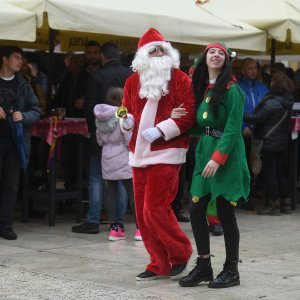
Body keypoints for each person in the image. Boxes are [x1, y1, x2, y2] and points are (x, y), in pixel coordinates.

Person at [119, 28, 195, 281]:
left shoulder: (181, 79)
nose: (159, 53)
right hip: (138, 154)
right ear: (142, 55)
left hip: (166, 152)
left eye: (162, 48)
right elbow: (126, 111)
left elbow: (186, 113)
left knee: (155, 208)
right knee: (141, 212)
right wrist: (126, 121)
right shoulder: (132, 82)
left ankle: (180, 253)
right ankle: (158, 263)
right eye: (153, 50)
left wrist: (162, 130)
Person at [177, 42, 250, 288]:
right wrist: (177, 120)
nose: (216, 55)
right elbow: (202, 125)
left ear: (227, 61)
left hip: (226, 157)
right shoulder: (202, 89)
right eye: (212, 52)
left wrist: (218, 159)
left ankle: (232, 271)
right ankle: (204, 265)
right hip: (204, 152)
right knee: (196, 210)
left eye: (221, 53)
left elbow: (232, 129)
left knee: (224, 213)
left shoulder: (233, 91)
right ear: (204, 58)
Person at [72, 42, 132, 234]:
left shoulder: (96, 76)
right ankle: (119, 221)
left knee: (97, 177)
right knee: (123, 180)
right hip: (125, 136)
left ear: (103, 57)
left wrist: (97, 127)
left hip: (103, 138)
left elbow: (90, 108)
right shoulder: (130, 76)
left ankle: (93, 220)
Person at [0, 46, 41, 240]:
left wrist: (23, 116)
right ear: (4, 59)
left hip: (16, 141)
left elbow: (36, 110)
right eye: (16, 58)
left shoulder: (23, 84)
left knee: (11, 184)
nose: (20, 62)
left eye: (21, 58)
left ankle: (6, 225)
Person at [94, 87, 141, 241]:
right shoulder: (123, 116)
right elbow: (129, 139)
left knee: (111, 193)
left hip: (107, 156)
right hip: (124, 157)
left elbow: (99, 140)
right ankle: (140, 229)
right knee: (133, 193)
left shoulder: (100, 119)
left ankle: (114, 229)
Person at [244, 72, 295, 215]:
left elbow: (256, 118)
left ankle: (274, 205)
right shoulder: (288, 101)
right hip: (282, 142)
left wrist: (238, 114)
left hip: (268, 143)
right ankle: (285, 202)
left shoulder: (273, 103)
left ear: (276, 84)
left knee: (269, 174)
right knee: (281, 173)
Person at [238, 58, 268, 210]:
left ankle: (250, 196)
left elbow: (267, 109)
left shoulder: (263, 88)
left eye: (255, 68)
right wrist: (244, 126)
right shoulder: (237, 87)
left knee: (256, 166)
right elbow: (235, 109)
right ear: (242, 70)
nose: (253, 71)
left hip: (260, 132)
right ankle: (242, 197)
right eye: (249, 68)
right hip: (241, 133)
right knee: (243, 166)